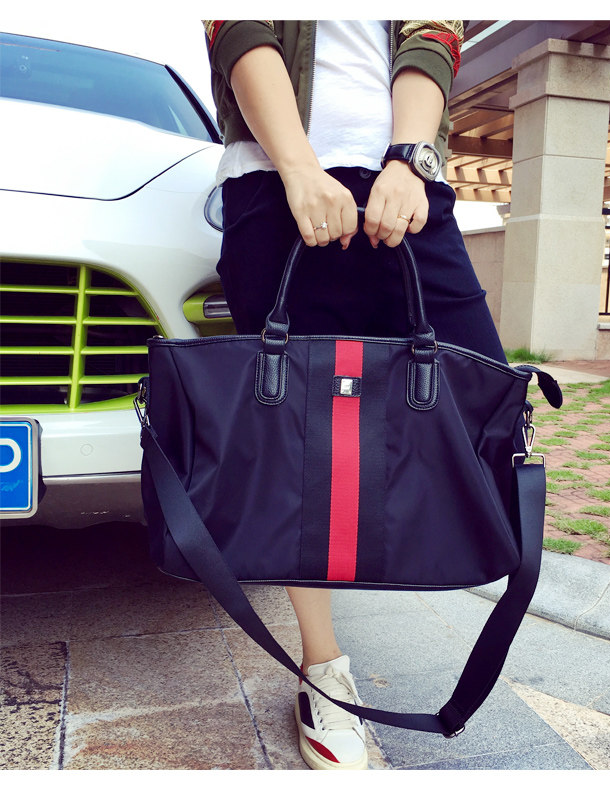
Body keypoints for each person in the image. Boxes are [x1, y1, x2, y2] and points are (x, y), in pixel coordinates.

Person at [203, 20, 510, 771]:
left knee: (485, 395)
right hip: (276, 180)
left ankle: (398, 546)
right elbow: (240, 29)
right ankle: (323, 666)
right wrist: (298, 167)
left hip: (409, 184)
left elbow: (432, 33)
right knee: (293, 435)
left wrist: (410, 157)